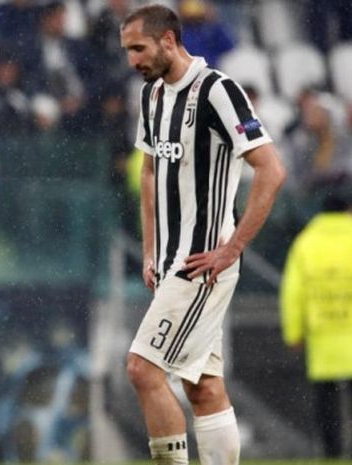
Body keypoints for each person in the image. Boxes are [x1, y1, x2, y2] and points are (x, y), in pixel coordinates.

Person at [120, 5, 287, 465]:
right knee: (202, 384)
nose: (132, 60)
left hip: (202, 264)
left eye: (138, 48)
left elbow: (271, 170)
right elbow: (150, 171)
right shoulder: (152, 95)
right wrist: (150, 248)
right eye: (127, 50)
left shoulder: (218, 90)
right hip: (171, 262)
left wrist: (231, 249)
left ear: (168, 41)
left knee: (143, 369)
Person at [280, 191, 352, 458]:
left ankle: (331, 451)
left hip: (323, 333)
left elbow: (292, 292)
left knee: (327, 398)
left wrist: (293, 332)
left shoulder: (306, 242)